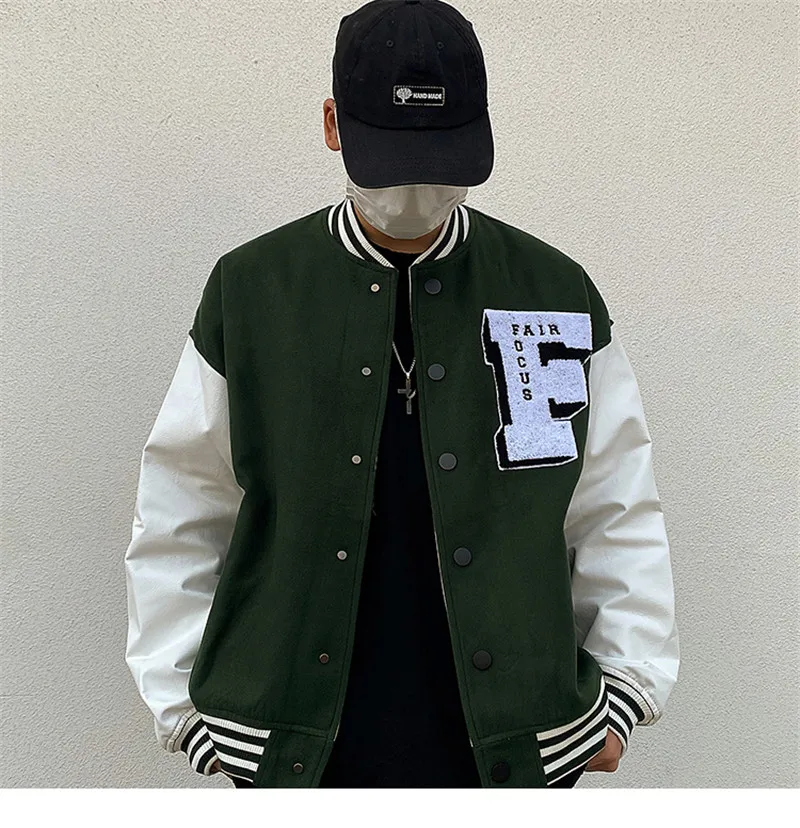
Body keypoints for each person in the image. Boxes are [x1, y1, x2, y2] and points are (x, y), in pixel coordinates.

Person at [124, 0, 679, 789]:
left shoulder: (551, 292)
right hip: (292, 742)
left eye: (443, 154)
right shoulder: (252, 292)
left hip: (519, 739)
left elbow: (613, 500)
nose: (416, 186)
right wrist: (182, 703)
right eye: (391, 154)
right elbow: (183, 503)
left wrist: (627, 686)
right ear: (332, 125)